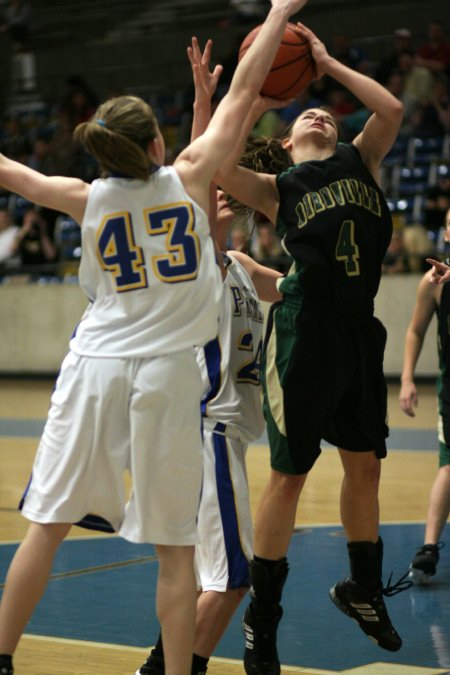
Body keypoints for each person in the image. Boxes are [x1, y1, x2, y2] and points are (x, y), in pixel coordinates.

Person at [0, 2, 308, 673]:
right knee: (175, 552)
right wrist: (281, 9)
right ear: (159, 146)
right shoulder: (191, 177)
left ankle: (0, 655)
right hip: (168, 377)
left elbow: (11, 173)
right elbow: (246, 91)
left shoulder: (84, 196)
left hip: (94, 367)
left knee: (46, 527)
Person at [215, 19, 409, 675]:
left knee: (366, 467)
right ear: (288, 141)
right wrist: (261, 99)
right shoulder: (278, 190)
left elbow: (392, 107)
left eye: (325, 112)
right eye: (308, 117)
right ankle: (260, 624)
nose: (320, 116)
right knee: (290, 475)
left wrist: (325, 62)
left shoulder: (362, 158)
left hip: (359, 329)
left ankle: (362, 588)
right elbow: (210, 162)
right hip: (305, 331)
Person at [135, 36, 283, 675]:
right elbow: (204, 161)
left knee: (204, 580)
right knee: (234, 579)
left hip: (226, 439)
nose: (216, 192)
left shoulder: (248, 270)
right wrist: (206, 102)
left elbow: (315, 283)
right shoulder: (206, 263)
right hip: (207, 434)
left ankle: (160, 666)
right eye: (209, 193)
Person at [400, 208, 450, 584]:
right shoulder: (434, 281)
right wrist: (406, 378)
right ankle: (429, 546)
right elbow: (415, 331)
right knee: (448, 464)